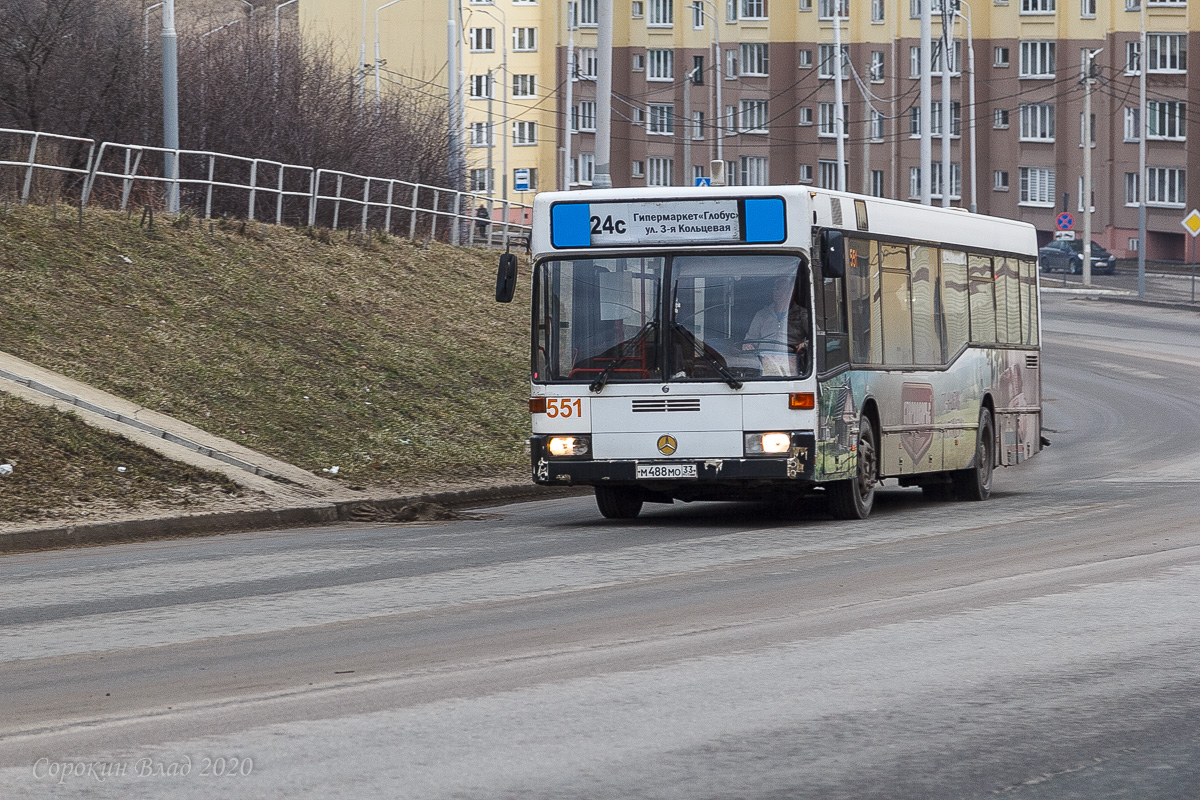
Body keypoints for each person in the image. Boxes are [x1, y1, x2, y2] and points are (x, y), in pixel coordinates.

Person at [742, 276, 809, 375]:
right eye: (776, 289)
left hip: (790, 363)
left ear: (791, 292)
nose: (778, 293)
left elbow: (816, 337)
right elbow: (750, 338)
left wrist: (804, 344)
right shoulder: (762, 314)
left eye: (782, 289)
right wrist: (748, 345)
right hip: (762, 363)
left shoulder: (801, 314)